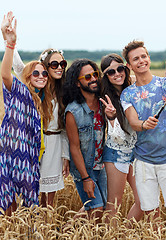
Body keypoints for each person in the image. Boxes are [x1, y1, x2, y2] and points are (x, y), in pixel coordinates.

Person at [120, 40, 166, 234]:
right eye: (136, 59)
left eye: (144, 56)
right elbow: (133, 122)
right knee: (152, 214)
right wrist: (144, 125)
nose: (141, 61)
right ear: (129, 65)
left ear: (148, 58)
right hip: (143, 162)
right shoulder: (128, 94)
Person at [2, 11, 70, 208]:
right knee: (30, 190)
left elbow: (65, 127)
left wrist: (65, 156)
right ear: (45, 66)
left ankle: (46, 226)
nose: (59, 67)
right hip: (33, 144)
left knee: (49, 196)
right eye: (54, 64)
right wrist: (7, 39)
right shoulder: (35, 86)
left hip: (55, 144)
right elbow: (15, 67)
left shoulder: (65, 91)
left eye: (62, 64)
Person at [0, 13, 52, 216]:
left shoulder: (44, 101)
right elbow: (6, 74)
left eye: (44, 73)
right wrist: (9, 44)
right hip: (6, 156)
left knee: (28, 210)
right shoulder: (19, 91)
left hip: (28, 159)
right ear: (27, 76)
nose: (41, 76)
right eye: (36, 73)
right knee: (7, 208)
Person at [98, 53, 143, 224]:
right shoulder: (105, 97)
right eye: (111, 72)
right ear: (106, 76)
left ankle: (124, 234)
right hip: (116, 154)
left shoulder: (132, 89)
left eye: (120, 69)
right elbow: (116, 135)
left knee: (144, 201)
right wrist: (111, 118)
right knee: (113, 205)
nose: (117, 74)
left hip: (134, 153)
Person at [63, 59, 107, 221]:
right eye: (87, 77)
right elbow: (74, 147)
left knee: (104, 208)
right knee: (96, 210)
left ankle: (64, 231)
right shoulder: (73, 112)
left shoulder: (104, 103)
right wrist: (85, 178)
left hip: (101, 165)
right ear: (77, 83)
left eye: (95, 75)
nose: (94, 79)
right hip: (84, 167)